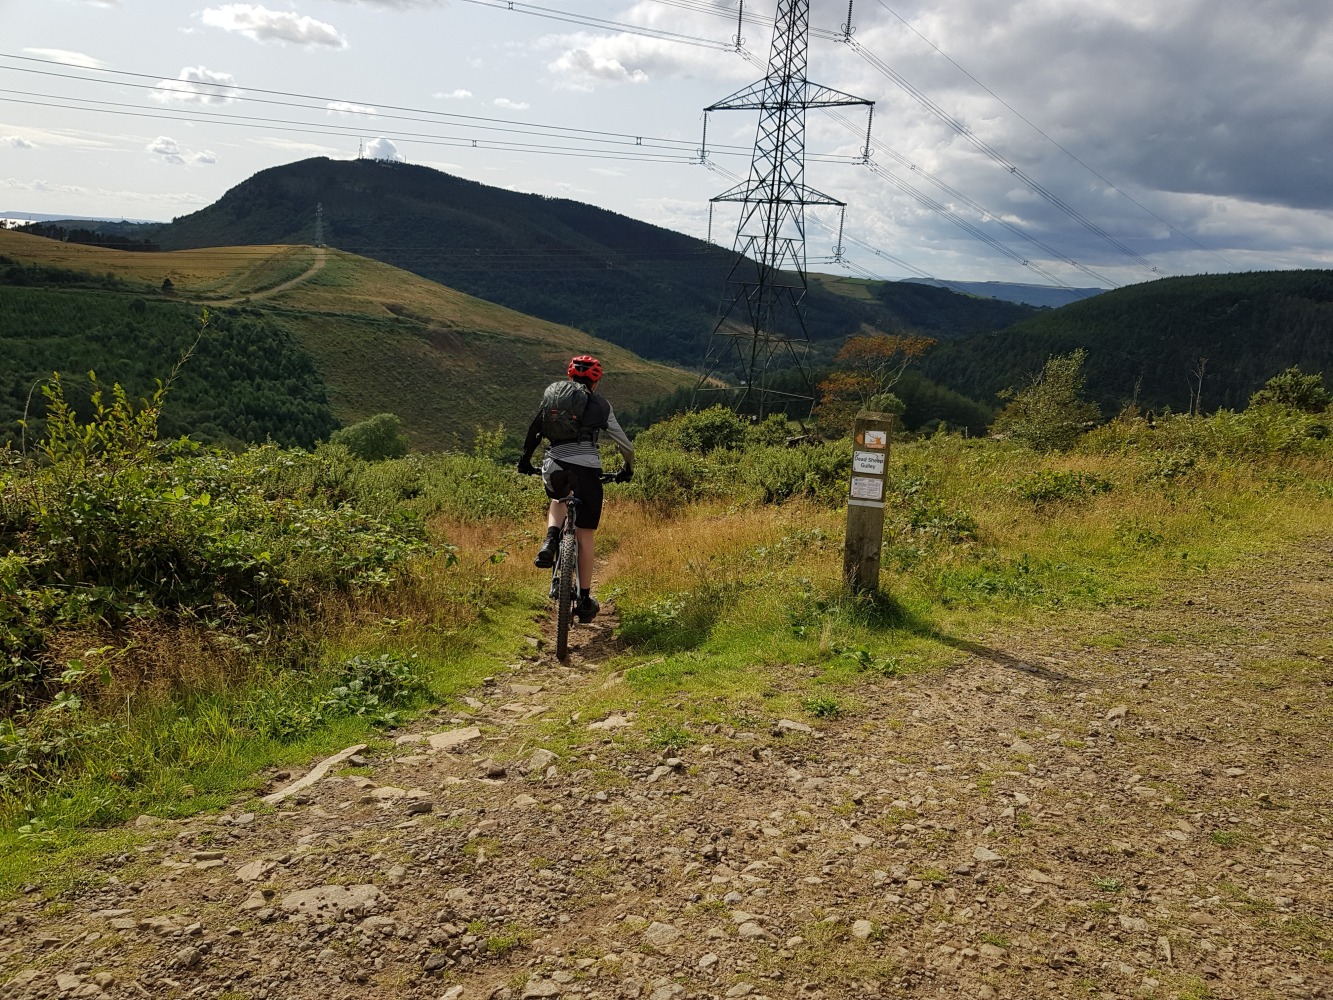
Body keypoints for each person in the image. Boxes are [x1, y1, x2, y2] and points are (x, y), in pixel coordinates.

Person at [516, 355, 634, 623]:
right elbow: (625, 445)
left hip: (554, 464)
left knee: (558, 497)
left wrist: (524, 462)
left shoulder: (554, 398)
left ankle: (550, 539)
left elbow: (534, 431)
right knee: (585, 535)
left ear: (570, 376)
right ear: (596, 380)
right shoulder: (601, 404)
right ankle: (584, 597)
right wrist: (627, 469)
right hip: (588, 470)